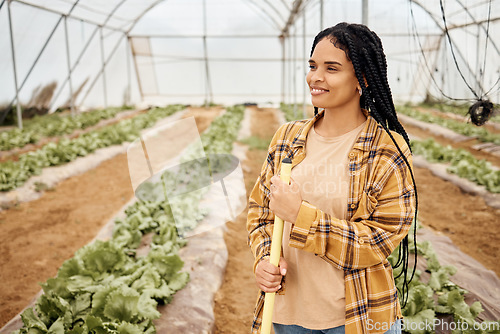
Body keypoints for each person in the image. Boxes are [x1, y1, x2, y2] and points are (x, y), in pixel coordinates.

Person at [247, 22, 418, 334]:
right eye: (312, 66)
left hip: (355, 317)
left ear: (362, 79)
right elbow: (260, 214)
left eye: (331, 68)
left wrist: (300, 216)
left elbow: (377, 242)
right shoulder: (287, 137)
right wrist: (263, 260)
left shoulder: (386, 150)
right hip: (285, 315)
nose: (316, 77)